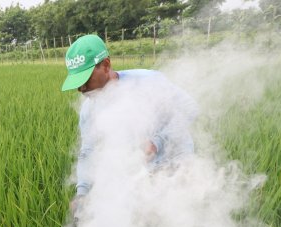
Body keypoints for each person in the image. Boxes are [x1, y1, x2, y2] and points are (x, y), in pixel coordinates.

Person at [61, 34, 198, 212]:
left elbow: (190, 108)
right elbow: (88, 150)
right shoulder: (89, 109)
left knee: (178, 223)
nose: (82, 88)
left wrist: (157, 142)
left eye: (86, 79)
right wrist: (82, 192)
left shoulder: (148, 82)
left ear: (106, 65)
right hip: (141, 175)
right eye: (77, 83)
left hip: (176, 165)